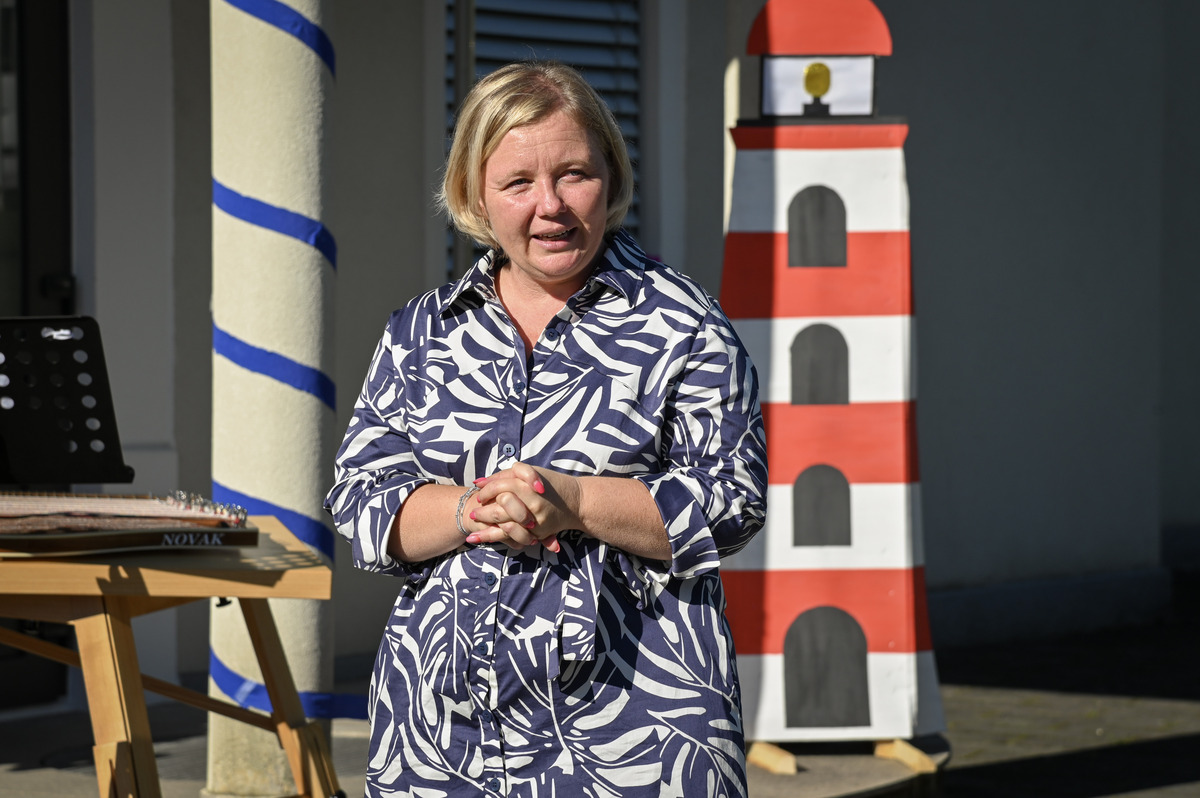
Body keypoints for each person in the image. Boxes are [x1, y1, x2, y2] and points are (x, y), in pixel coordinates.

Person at [325, 60, 768, 797]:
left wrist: (576, 502)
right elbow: (361, 499)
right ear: (475, 194)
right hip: (443, 735)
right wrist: (472, 509)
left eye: (574, 174)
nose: (551, 206)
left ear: (610, 175)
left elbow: (733, 501)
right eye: (518, 183)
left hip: (639, 733)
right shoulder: (422, 332)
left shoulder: (684, 324)